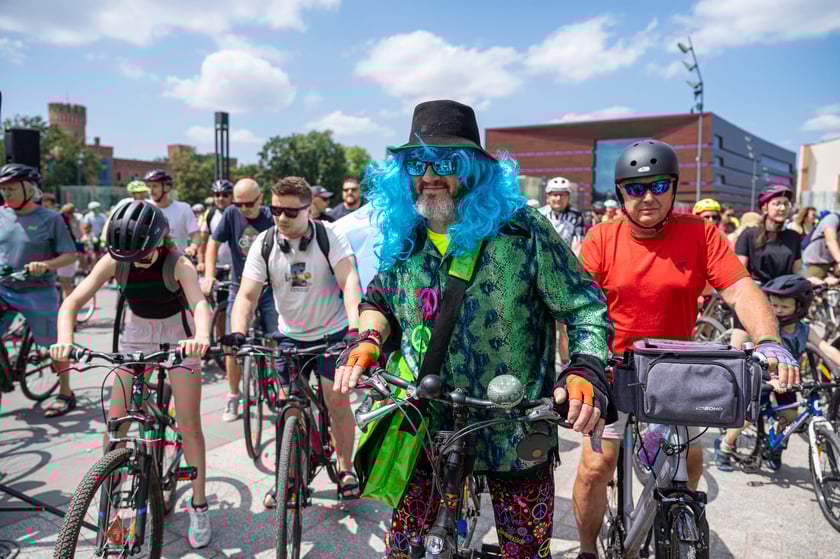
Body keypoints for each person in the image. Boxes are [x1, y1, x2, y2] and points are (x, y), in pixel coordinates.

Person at [333, 99, 613, 559]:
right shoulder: (409, 236)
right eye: (417, 163)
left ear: (474, 170)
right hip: (429, 421)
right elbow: (379, 299)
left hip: (514, 423)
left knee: (524, 551)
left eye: (445, 162)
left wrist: (584, 367)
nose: (429, 174)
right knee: (404, 549)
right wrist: (368, 339)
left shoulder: (523, 232)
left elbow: (585, 305)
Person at [573, 139, 800, 559]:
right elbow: (574, 307)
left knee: (687, 467)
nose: (647, 197)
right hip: (613, 370)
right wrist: (579, 364)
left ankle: (674, 527)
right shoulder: (601, 238)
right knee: (594, 468)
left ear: (674, 188)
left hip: (673, 372)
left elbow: (740, 289)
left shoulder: (700, 233)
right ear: (620, 192)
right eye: (635, 188)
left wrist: (770, 341)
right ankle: (587, 549)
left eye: (659, 186)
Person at [50, 200, 213, 548]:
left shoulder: (178, 262)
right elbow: (72, 302)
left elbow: (199, 302)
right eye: (123, 255)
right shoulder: (115, 260)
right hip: (136, 335)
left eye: (138, 255)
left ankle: (199, 504)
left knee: (189, 424)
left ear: (158, 242)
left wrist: (201, 337)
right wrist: (65, 340)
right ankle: (114, 506)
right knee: (117, 424)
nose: (130, 262)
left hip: (178, 338)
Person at [222, 175, 364, 506]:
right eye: (275, 210)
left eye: (290, 212)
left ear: (309, 209)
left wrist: (356, 330)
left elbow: (350, 281)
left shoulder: (330, 236)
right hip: (289, 338)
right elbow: (246, 295)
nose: (281, 218)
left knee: (336, 398)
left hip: (332, 334)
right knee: (289, 408)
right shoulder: (265, 242)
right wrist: (238, 331)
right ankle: (289, 476)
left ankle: (345, 468)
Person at [717, 275, 840, 471]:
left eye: (784, 307)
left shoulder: (804, 330)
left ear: (799, 307)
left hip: (787, 380)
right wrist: (767, 378)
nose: (778, 311)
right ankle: (724, 446)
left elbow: (826, 347)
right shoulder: (767, 329)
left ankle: (776, 445)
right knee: (749, 416)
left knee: (791, 414)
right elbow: (746, 352)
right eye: (774, 306)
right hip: (764, 378)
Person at [0, 164, 78, 416]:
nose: (6, 194)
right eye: (3, 190)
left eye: (11, 189)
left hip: (37, 291)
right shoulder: (1, 215)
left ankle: (65, 392)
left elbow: (69, 255)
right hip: (4, 287)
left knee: (54, 347)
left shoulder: (50, 218)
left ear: (29, 189)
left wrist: (45, 265)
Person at [202, 178, 278, 422]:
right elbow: (213, 243)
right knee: (231, 343)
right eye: (240, 204)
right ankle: (234, 395)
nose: (244, 209)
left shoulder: (271, 215)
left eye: (249, 204)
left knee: (277, 337)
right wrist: (209, 275)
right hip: (239, 286)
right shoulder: (231, 214)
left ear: (261, 198)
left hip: (269, 289)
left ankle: (276, 382)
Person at [735, 185, 803, 285]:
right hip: (757, 292)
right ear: (764, 208)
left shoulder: (794, 236)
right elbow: (739, 272)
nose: (783, 208)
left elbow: (798, 270)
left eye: (786, 204)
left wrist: (815, 280)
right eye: (777, 204)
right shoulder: (748, 235)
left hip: (786, 292)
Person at [144, 169, 200, 257]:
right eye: (148, 186)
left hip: (178, 261)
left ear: (166, 187)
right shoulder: (144, 208)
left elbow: (195, 234)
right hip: (149, 263)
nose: (151, 190)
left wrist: (192, 248)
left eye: (155, 186)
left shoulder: (183, 208)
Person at [538, 176, 584, 249]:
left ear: (568, 197)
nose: (558, 198)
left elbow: (578, 244)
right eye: (555, 194)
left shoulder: (576, 216)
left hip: (567, 258)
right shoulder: (539, 214)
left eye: (562, 195)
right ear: (548, 197)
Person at [802, 206, 840, 282]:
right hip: (816, 262)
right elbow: (830, 240)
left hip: (831, 262)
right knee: (815, 286)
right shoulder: (832, 218)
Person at [56, 203, 81, 300]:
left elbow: (77, 235)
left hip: (64, 253)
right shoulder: (61, 220)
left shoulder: (68, 220)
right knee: (67, 285)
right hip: (64, 253)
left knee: (66, 285)